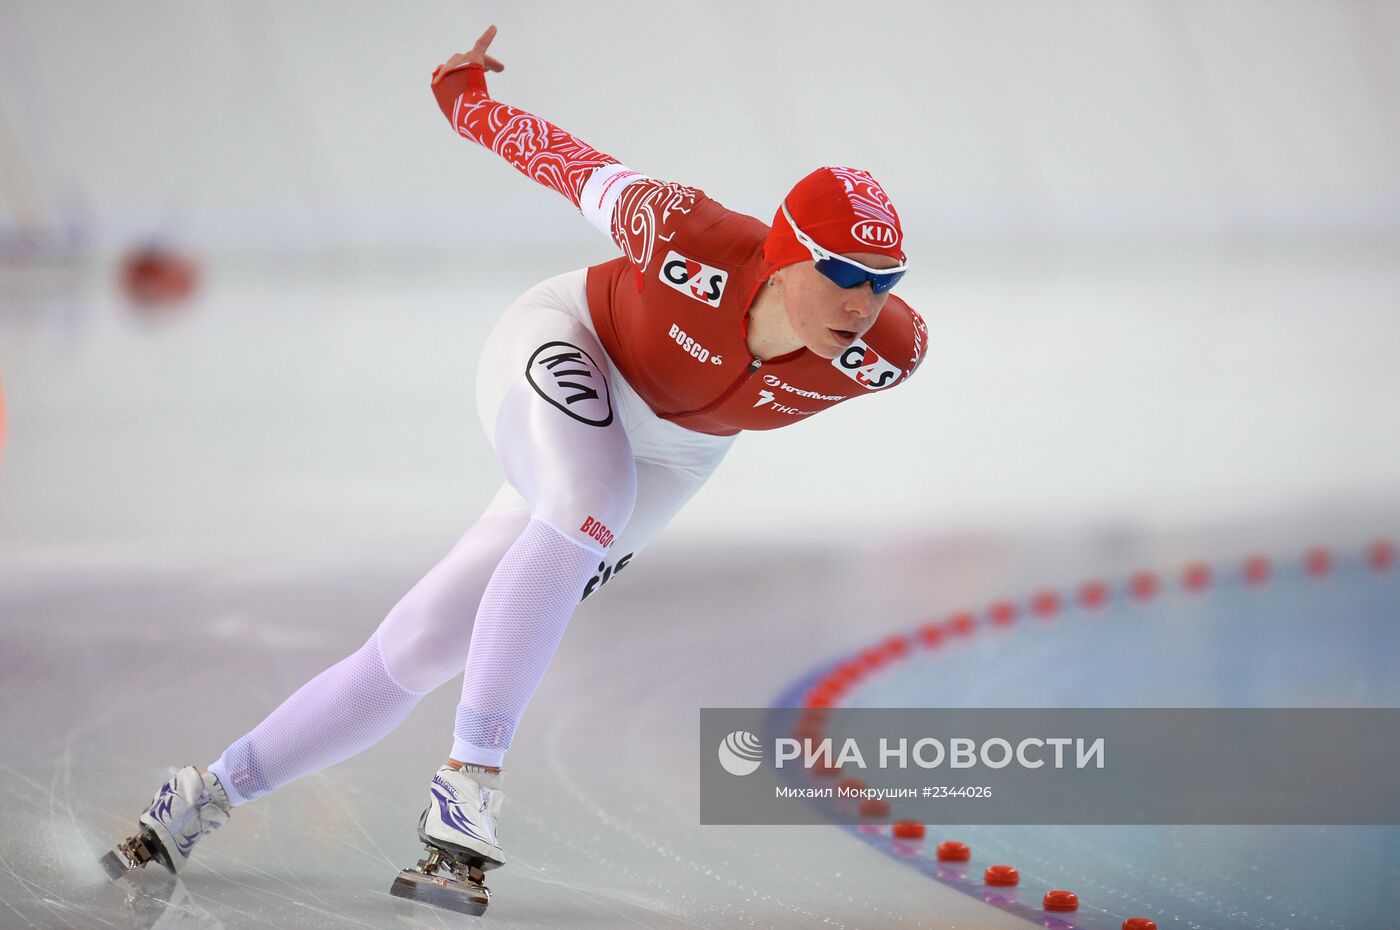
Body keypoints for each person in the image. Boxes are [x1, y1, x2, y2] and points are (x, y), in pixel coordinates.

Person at [101, 24, 926, 914]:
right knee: (587, 502)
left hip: (678, 451)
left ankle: (200, 799)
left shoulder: (886, 351)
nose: (862, 302)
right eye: (843, 270)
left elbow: (831, 345)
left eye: (885, 278)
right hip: (572, 342)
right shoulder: (684, 230)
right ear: (784, 251)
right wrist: (466, 98)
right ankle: (470, 788)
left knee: (422, 643)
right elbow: (569, 164)